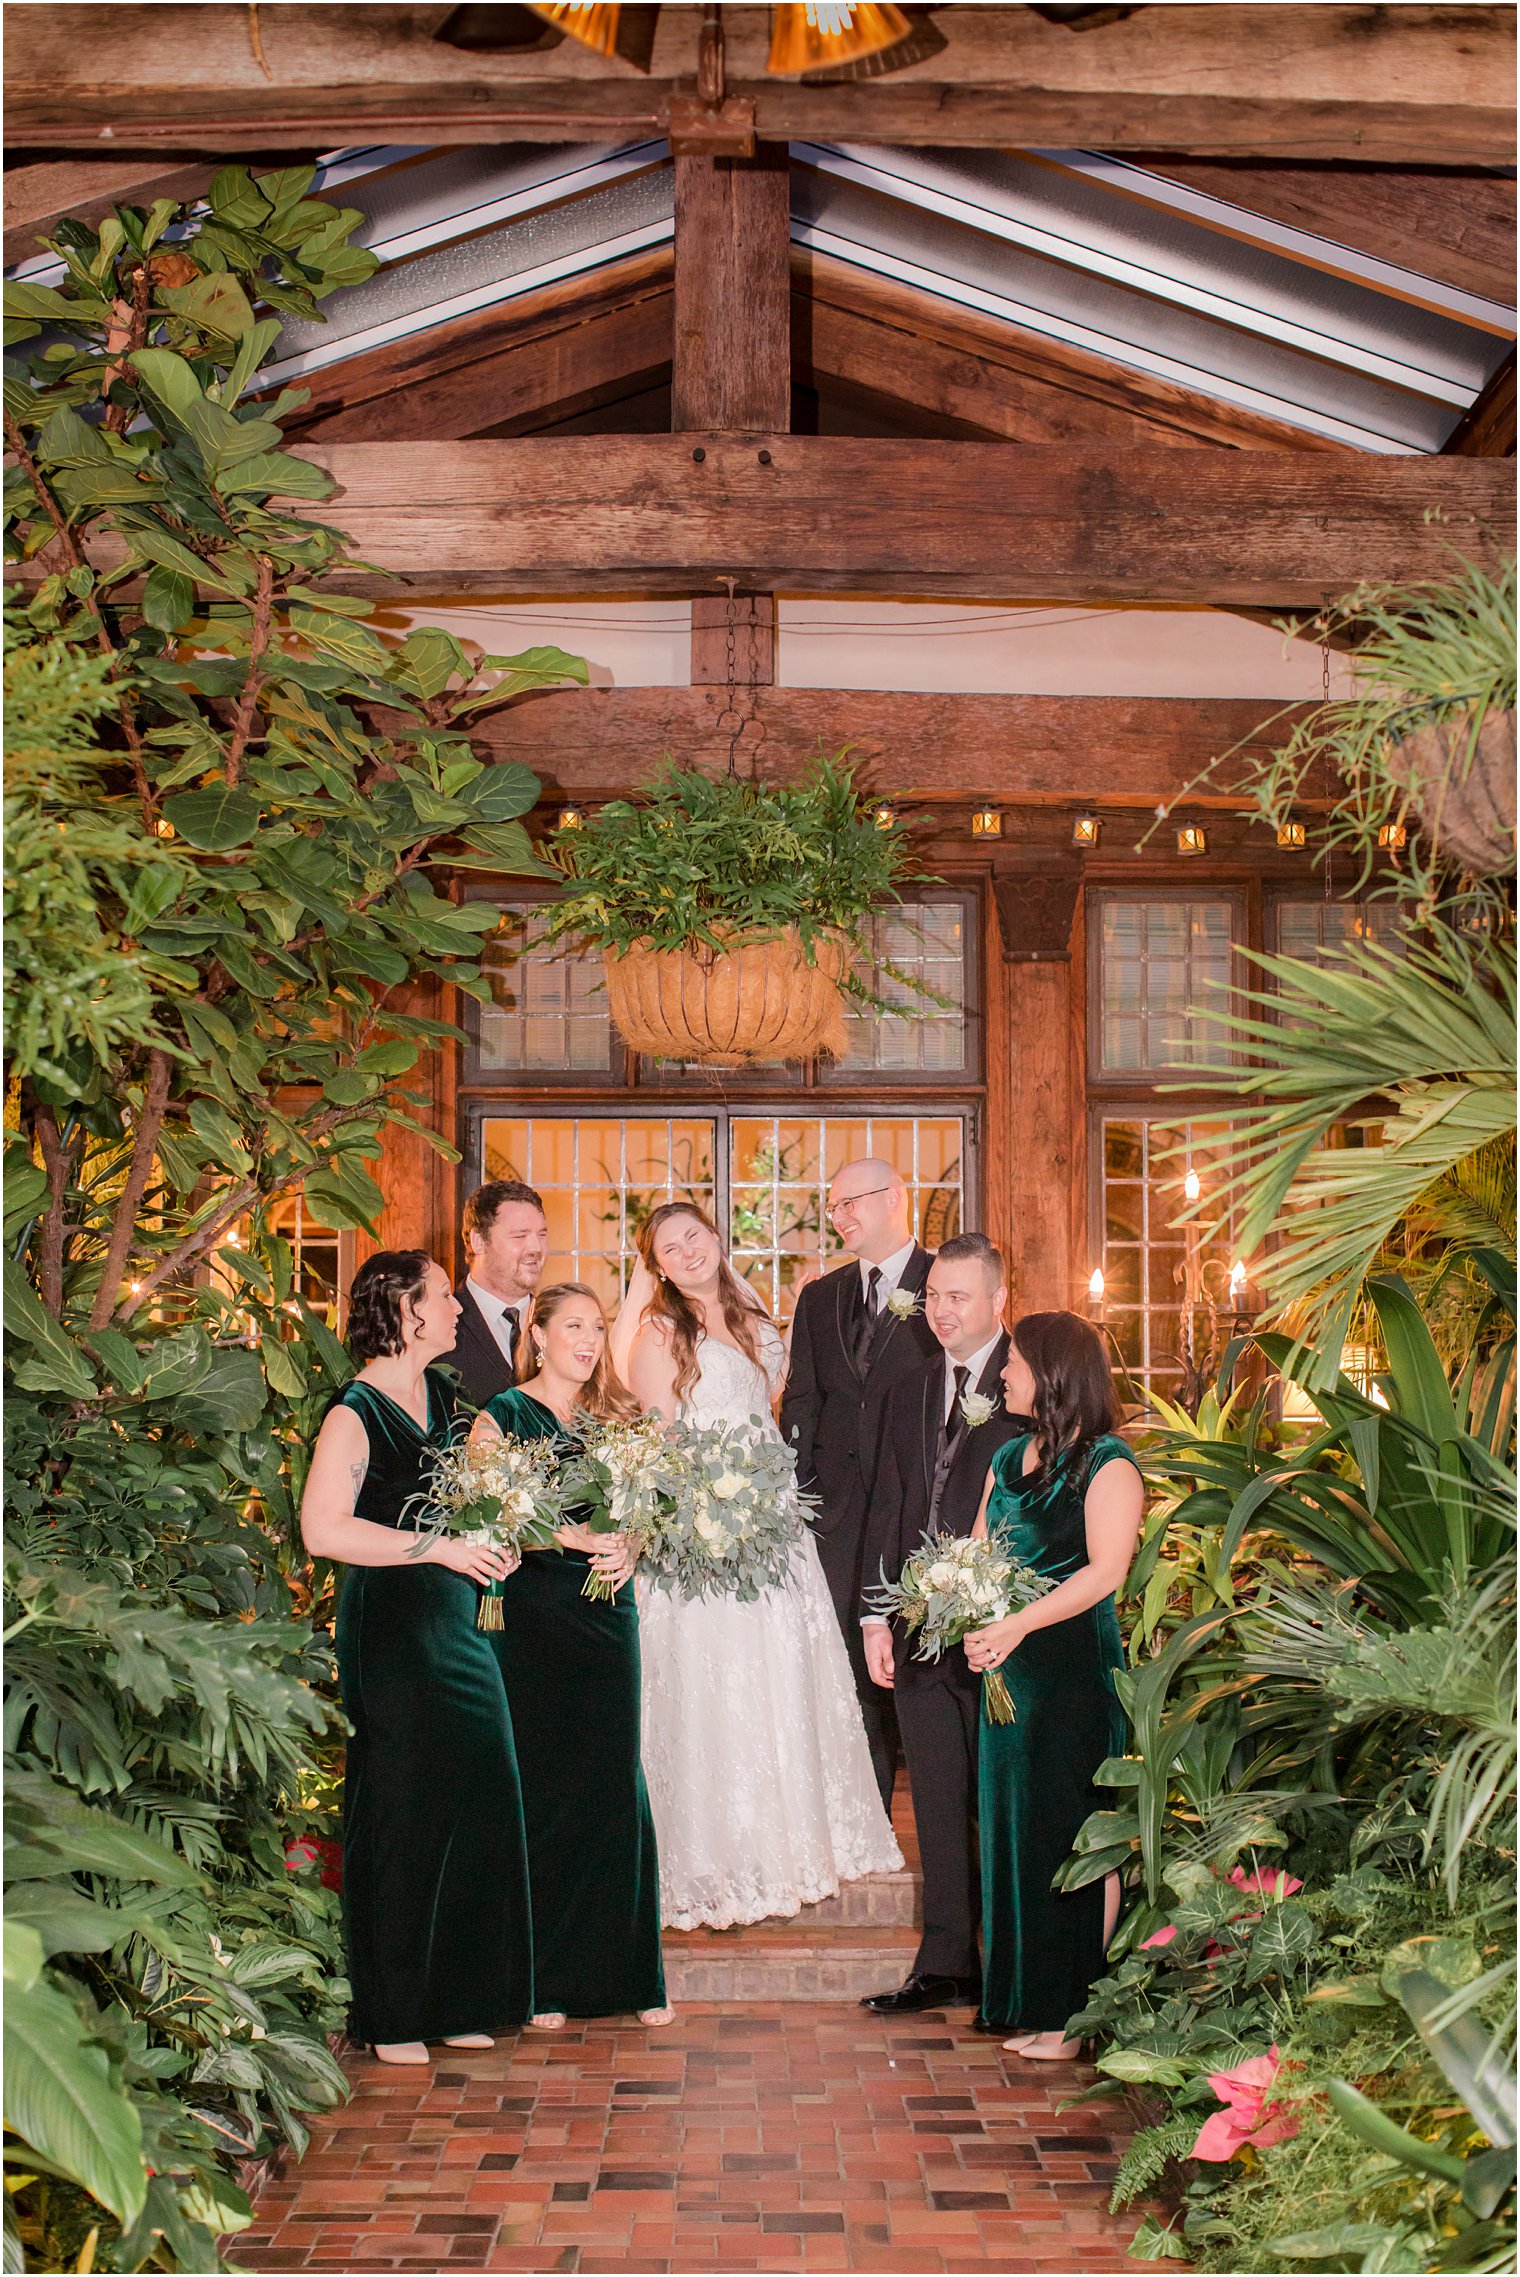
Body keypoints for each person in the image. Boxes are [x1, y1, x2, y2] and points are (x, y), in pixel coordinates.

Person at [619, 1202, 902, 1930]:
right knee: (714, 1683)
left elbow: (775, 1412)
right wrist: (700, 1512)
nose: (686, 1253)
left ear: (715, 1237)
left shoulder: (750, 1317)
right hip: (702, 1528)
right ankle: (717, 1855)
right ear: (654, 1265)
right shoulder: (658, 1332)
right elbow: (661, 1439)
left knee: (781, 1677)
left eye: (693, 1237)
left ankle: (793, 1837)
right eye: (668, 1248)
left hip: (773, 1519)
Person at [300, 1251, 533, 2065]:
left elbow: (478, 1504)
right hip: (393, 1627)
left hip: (460, 1622)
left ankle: (462, 1997)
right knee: (404, 1810)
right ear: (405, 1307)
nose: (457, 1308)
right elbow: (323, 1529)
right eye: (442, 1295)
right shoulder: (353, 1412)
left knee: (481, 1791)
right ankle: (395, 2012)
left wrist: (498, 1531)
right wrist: (440, 1545)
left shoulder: (447, 1396)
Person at [470, 1283, 670, 2028]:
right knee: (548, 1787)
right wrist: (574, 1535)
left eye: (598, 1328)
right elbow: (489, 1509)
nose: (589, 1341)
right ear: (541, 1335)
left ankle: (633, 1977)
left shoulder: (615, 1417)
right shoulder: (502, 1415)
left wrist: (631, 1545)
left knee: (616, 1782)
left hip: (606, 1611)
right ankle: (547, 1981)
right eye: (575, 1327)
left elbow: (644, 1507)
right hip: (534, 1614)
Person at [964, 1311, 1144, 2059]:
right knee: (1016, 1837)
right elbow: (976, 1553)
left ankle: (1074, 2013)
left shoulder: (1108, 1463)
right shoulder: (1005, 1461)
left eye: (1011, 1359)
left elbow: (1106, 1571)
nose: (1001, 1372)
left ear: (1051, 1371)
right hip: (1008, 1677)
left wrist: (1017, 1624)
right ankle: (1031, 2001)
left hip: (1071, 1675)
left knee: (1075, 1836)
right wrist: (967, 1611)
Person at [857, 1233, 1027, 2017]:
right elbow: (887, 1501)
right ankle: (947, 1960)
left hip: (1002, 1629)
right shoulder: (908, 1385)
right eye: (934, 1295)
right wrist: (874, 1614)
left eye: (960, 1296)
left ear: (999, 1300)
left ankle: (1011, 1961)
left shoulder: (1030, 1380)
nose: (943, 1309)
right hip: (919, 1623)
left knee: (996, 1797)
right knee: (933, 1795)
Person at [779, 1158, 939, 1806]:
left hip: (922, 1504)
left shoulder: (945, 1283)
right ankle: (866, 1813)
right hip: (838, 1514)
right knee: (848, 1662)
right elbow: (802, 1399)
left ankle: (940, 1816)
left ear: (898, 1197)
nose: (839, 1216)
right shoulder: (820, 1296)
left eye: (852, 1202)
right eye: (833, 1205)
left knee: (926, 1656)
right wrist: (802, 1490)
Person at [451, 1179, 549, 1406]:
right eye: (520, 1236)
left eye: (542, 1235)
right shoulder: (438, 1324)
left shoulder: (558, 1321)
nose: (536, 1248)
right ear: (478, 1242)